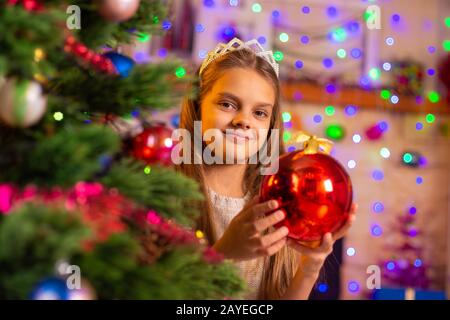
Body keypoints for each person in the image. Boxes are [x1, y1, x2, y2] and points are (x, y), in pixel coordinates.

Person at [176, 38, 356, 299]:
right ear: (196, 106)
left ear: (270, 125)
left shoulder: (279, 203)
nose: (243, 121)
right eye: (227, 104)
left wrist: (309, 268)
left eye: (259, 113)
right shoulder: (167, 195)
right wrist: (224, 254)